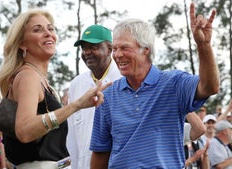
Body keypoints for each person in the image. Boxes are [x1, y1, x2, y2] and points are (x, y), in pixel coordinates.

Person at [90, 2, 219, 168]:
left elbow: (210, 87)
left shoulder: (174, 83)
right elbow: (100, 153)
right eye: (114, 48)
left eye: (124, 48)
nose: (117, 55)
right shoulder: (108, 95)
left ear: (146, 49)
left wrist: (204, 45)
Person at [0, 9, 111, 169]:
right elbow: (24, 130)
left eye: (50, 29)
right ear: (22, 43)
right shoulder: (28, 76)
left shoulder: (37, 79)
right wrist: (76, 105)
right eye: (38, 30)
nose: (48, 34)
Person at [66, 25, 121, 169]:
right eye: (84, 48)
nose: (87, 52)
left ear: (110, 49)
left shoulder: (124, 79)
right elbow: (72, 137)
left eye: (94, 47)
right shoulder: (76, 85)